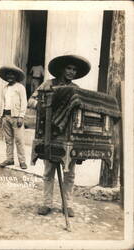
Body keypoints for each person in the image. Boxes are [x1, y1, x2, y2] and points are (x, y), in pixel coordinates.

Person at [28, 55, 91, 216]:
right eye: (69, 68)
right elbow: (31, 101)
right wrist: (46, 105)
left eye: (74, 69)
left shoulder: (76, 89)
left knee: (69, 172)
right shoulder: (48, 84)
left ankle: (66, 204)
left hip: (68, 134)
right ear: (62, 69)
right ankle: (47, 204)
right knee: (49, 170)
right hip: (49, 132)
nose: (71, 72)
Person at [0, 65, 28, 169]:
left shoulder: (20, 87)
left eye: (12, 74)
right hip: (6, 116)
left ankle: (22, 161)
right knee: (8, 139)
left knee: (19, 140)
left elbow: (24, 102)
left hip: (16, 117)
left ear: (16, 76)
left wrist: (21, 116)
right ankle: (10, 159)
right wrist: (0, 116)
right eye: (8, 74)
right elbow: (2, 103)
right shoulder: (5, 88)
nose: (10, 76)